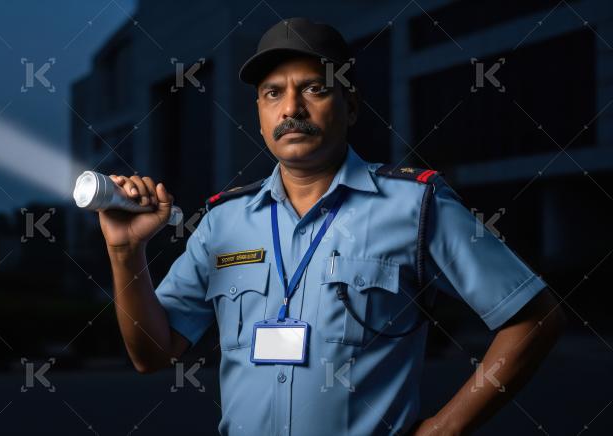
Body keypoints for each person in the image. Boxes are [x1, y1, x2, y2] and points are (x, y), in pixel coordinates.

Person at [98, 17, 566, 436]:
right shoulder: (222, 221)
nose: (291, 109)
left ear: (351, 105)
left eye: (314, 89)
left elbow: (535, 318)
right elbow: (152, 354)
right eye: (273, 93)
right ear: (259, 117)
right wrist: (125, 252)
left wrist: (446, 429)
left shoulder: (416, 205)